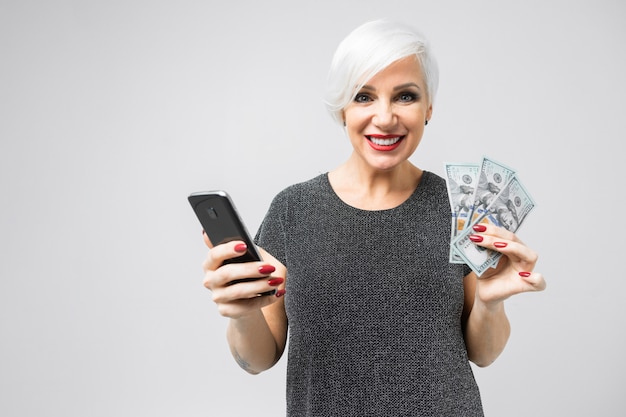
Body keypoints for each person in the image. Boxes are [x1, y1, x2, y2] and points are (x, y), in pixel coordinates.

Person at [201, 19, 546, 416]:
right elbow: (258, 359)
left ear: (428, 106)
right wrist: (243, 315)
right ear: (341, 108)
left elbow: (482, 355)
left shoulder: (460, 208)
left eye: (405, 96)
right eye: (364, 97)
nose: (384, 118)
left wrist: (489, 303)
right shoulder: (292, 211)